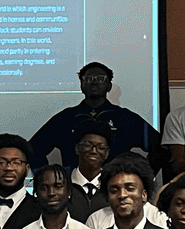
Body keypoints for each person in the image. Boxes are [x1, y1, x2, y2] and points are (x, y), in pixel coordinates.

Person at [28, 61, 158, 166]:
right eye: (88, 78)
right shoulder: (66, 118)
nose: (94, 82)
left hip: (114, 190)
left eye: (100, 79)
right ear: (81, 85)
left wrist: (144, 176)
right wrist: (44, 177)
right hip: (74, 190)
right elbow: (32, 149)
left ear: (109, 86)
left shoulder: (125, 118)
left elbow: (159, 147)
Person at [67, 128, 111, 221]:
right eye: (88, 145)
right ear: (77, 148)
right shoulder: (62, 184)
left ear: (107, 153)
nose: (94, 151)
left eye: (101, 147)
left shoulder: (113, 186)